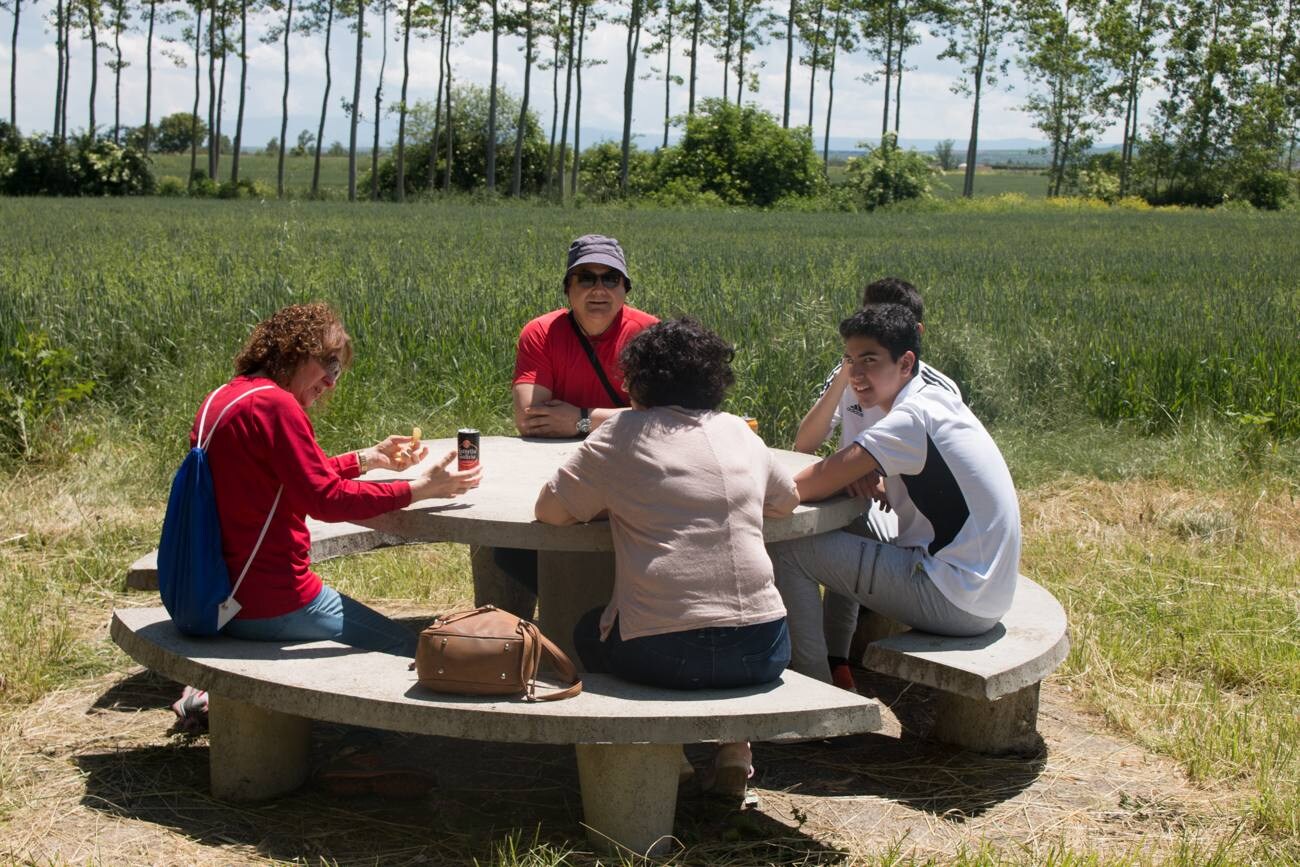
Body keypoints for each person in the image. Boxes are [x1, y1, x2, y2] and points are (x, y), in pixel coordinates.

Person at [172, 303, 481, 729]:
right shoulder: (278, 407)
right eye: (329, 364)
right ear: (298, 350)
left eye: (339, 371)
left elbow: (285, 480)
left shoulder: (227, 397)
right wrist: (420, 489)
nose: (332, 383)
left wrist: (366, 459)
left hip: (215, 590)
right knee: (409, 647)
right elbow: (325, 500)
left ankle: (209, 694)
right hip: (270, 601)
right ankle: (364, 753)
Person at [534, 318, 798, 798]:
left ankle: (669, 759)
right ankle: (735, 752)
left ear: (637, 381)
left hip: (664, 654)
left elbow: (550, 511)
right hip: (766, 647)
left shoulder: (623, 432)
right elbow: (786, 501)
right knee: (708, 632)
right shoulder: (739, 431)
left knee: (587, 630)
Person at [773, 304, 1019, 685]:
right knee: (856, 523)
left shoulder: (910, 418)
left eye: (869, 360)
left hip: (955, 596)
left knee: (790, 549)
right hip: (985, 588)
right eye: (850, 360)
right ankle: (838, 661)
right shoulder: (934, 400)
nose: (856, 374)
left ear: (905, 363)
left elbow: (805, 485)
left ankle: (813, 686)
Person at [792, 278, 962, 692]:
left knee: (808, 546)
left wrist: (868, 470)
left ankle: (821, 671)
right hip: (862, 501)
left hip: (912, 525)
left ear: (910, 343)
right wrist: (840, 379)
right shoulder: (850, 376)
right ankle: (834, 661)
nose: (860, 369)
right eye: (855, 353)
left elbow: (934, 469)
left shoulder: (934, 393)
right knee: (847, 527)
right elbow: (805, 443)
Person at [486, 235, 659, 609]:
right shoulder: (541, 333)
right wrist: (627, 416)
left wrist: (580, 420)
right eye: (586, 278)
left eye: (610, 279)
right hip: (552, 470)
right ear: (568, 288)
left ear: (625, 289)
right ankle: (509, 630)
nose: (599, 289)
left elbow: (666, 418)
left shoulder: (650, 335)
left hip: (630, 471)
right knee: (505, 541)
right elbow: (530, 418)